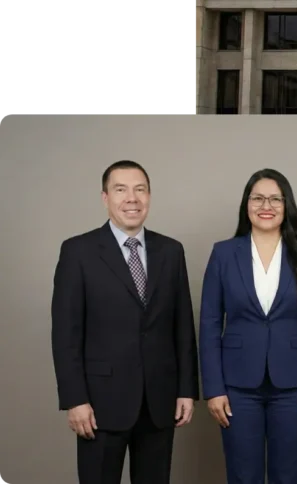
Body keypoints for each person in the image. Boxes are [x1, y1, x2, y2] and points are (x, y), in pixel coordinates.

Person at [50, 160, 198, 484]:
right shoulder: (78, 252)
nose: (132, 198)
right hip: (100, 404)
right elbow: (65, 335)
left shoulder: (171, 251)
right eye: (121, 190)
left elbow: (183, 328)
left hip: (159, 402)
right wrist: (75, 399)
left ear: (149, 196)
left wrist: (187, 390)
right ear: (105, 198)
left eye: (140, 189)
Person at [199, 169, 297, 484]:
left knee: (289, 476)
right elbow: (209, 324)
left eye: (275, 199)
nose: (266, 206)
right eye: (257, 198)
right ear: (246, 204)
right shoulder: (223, 254)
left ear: (287, 205)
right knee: (243, 476)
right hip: (237, 386)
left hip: (295, 386)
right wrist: (214, 389)